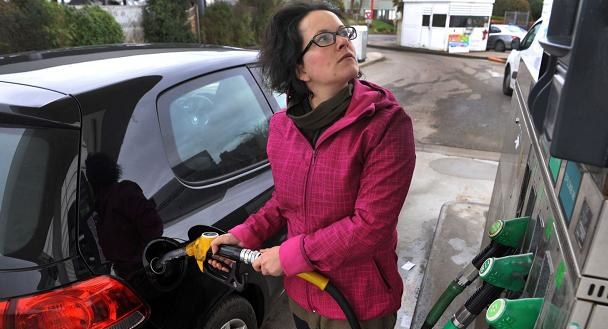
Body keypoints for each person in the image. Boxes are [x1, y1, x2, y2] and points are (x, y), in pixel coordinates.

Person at [210, 2, 416, 329]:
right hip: (301, 295)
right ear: (299, 70)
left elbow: (371, 226)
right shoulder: (281, 128)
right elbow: (284, 201)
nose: (343, 42)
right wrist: (244, 234)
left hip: (358, 304)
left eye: (342, 33)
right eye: (323, 38)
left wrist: (289, 256)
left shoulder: (386, 125)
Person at [85, 152, 163, 298]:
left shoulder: (124, 193)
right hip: (128, 282)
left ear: (93, 182)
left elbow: (154, 227)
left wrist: (139, 261)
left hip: (147, 277)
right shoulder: (99, 211)